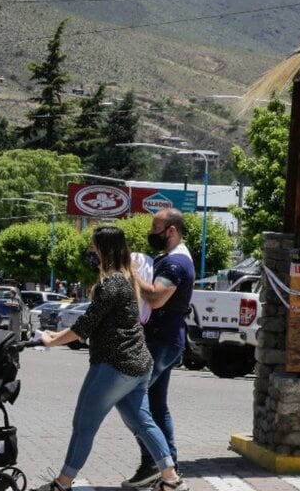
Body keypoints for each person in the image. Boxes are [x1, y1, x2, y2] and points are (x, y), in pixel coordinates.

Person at [36, 226, 188, 491]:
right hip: (139, 364)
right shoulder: (128, 279)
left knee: (84, 423)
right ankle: (171, 480)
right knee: (142, 422)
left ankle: (62, 483)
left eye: (94, 247)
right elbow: (95, 321)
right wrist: (57, 333)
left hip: (114, 365)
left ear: (104, 250)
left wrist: (52, 340)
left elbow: (86, 325)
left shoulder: (112, 283)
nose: (91, 252)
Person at [122, 208, 195, 489]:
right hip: (164, 339)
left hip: (161, 342)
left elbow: (155, 298)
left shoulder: (176, 263)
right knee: (155, 405)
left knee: (131, 400)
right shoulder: (170, 259)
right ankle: (167, 467)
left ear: (171, 231)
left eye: (156, 228)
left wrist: (131, 273)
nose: (152, 233)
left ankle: (155, 465)